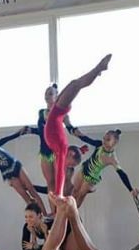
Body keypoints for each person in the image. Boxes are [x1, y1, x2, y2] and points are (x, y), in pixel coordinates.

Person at [43, 54, 111, 195]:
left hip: (58, 110)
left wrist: (58, 194)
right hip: (59, 110)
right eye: (71, 164)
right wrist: (59, 194)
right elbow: (61, 173)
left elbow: (60, 174)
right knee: (76, 84)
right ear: (71, 154)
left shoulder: (61, 151)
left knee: (76, 84)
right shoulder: (63, 149)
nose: (69, 166)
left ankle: (98, 69)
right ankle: (99, 69)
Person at [20, 84, 90, 195]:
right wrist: (29, 130)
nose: (47, 95)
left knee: (60, 181)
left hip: (57, 150)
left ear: (57, 96)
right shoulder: (41, 112)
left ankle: (63, 202)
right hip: (45, 151)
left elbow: (70, 128)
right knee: (50, 183)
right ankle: (54, 206)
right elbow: (42, 131)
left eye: (50, 93)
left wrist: (86, 138)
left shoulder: (62, 113)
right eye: (46, 93)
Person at [71, 129, 137, 207]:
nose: (104, 141)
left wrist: (131, 189)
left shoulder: (112, 158)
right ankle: (66, 210)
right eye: (104, 138)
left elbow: (122, 174)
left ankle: (72, 212)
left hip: (91, 178)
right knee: (74, 191)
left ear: (115, 142)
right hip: (84, 169)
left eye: (108, 140)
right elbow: (87, 139)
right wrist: (76, 133)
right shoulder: (99, 145)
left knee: (80, 195)